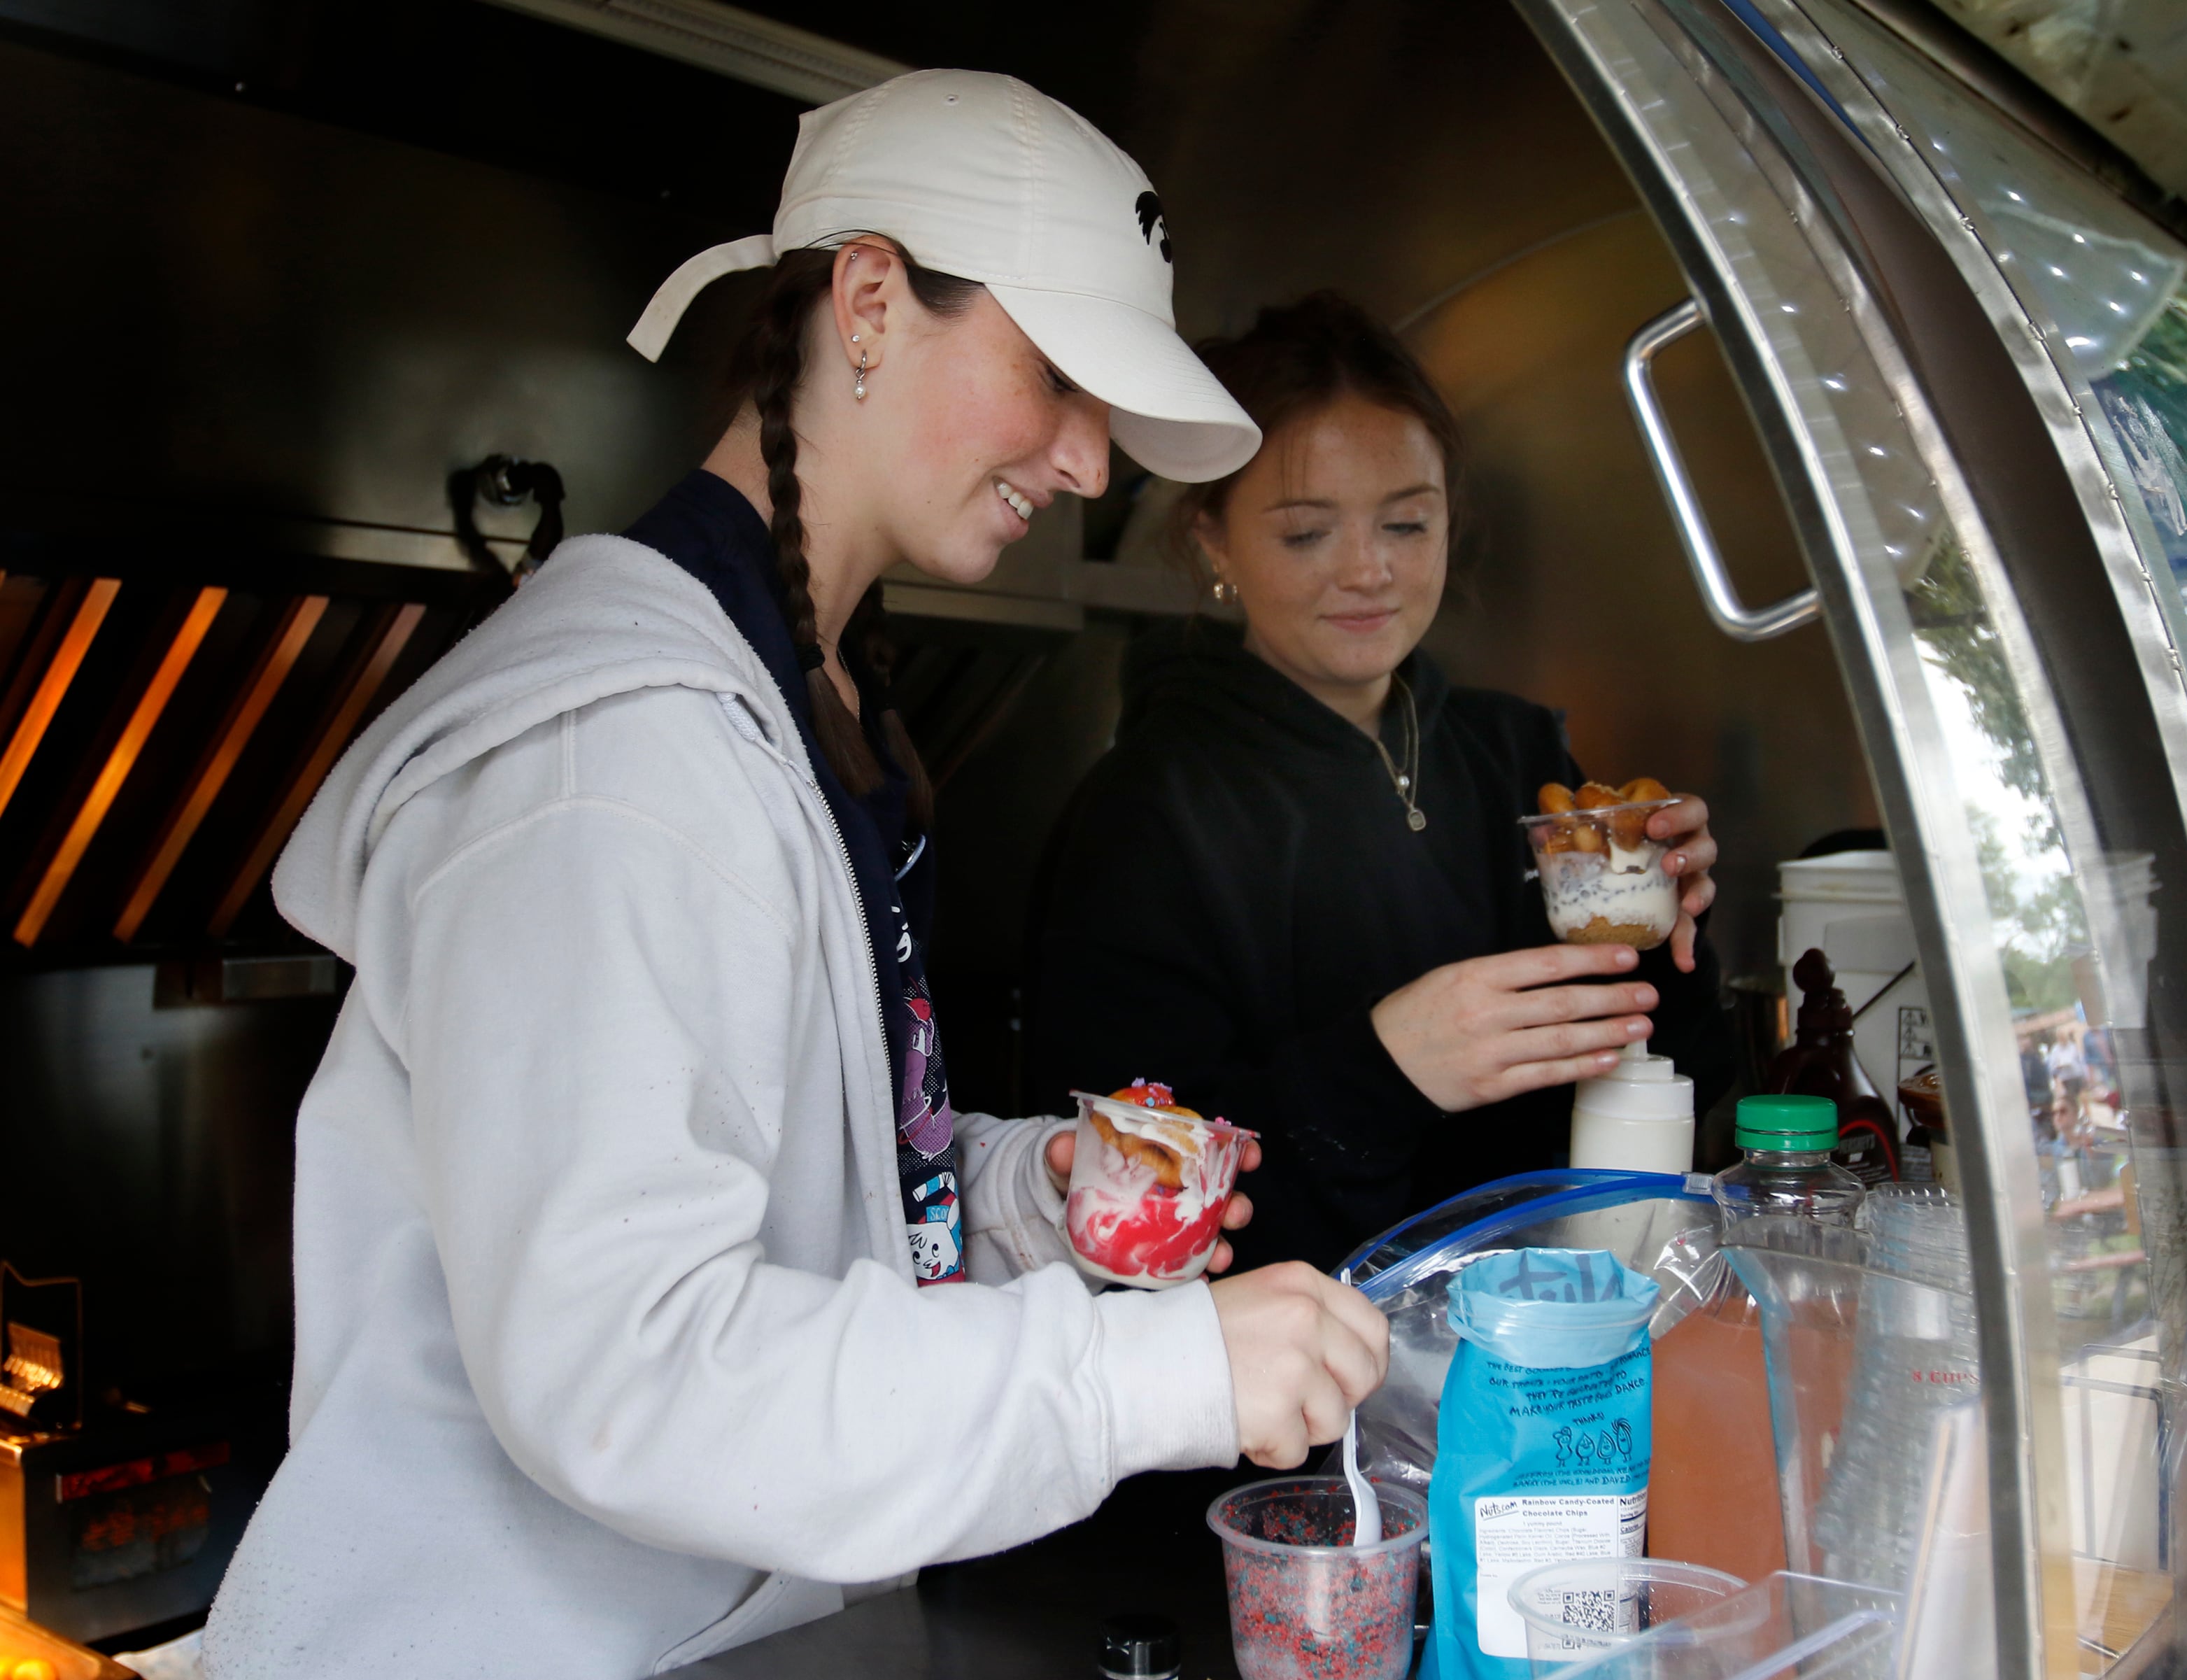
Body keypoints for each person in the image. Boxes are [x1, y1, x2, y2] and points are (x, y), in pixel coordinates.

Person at [204, 73, 1387, 1679]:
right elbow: (633, 1366)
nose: (1094, 463)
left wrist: (1021, 1197)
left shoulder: (801, 698)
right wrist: (1149, 1375)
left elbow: (789, 1182)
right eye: (1058, 379)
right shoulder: (618, 763)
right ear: (875, 302)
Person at [1026, 294, 1729, 1273]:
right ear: (1214, 540)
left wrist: (1669, 923)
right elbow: (1120, 1191)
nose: (1368, 571)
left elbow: (1664, 1061)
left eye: (1406, 523)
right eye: (1307, 533)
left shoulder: (1515, 755)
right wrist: (1384, 1066)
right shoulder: (1148, 814)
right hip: (1304, 1382)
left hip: (1553, 1330)